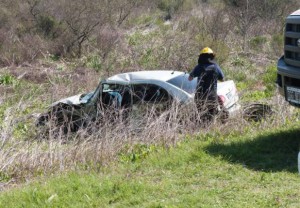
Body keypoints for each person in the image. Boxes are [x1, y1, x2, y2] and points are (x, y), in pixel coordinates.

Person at [188, 47, 225, 122]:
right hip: (212, 96)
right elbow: (222, 79)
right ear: (211, 57)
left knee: (200, 116)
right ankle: (209, 130)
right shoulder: (215, 67)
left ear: (201, 57)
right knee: (211, 116)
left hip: (200, 96)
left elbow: (190, 78)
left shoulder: (198, 67)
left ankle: (200, 130)